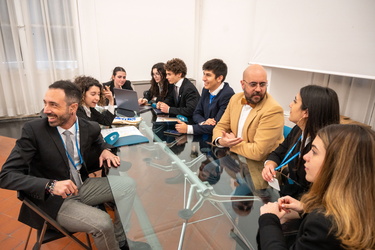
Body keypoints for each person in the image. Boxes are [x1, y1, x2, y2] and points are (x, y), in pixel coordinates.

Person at [0, 80, 137, 250]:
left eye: (53, 104)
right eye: (45, 103)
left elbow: (98, 140)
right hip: (54, 199)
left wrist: (105, 149)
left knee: (128, 185)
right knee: (103, 223)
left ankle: (120, 240)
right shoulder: (34, 130)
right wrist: (50, 185)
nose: (46, 110)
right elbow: (5, 176)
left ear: (72, 108)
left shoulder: (89, 127)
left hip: (82, 186)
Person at [258, 124, 375, 249]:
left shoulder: (323, 226)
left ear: (338, 164)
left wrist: (269, 220)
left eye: (314, 152)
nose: (305, 156)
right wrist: (306, 209)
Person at [262, 85, 340, 198]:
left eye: (295, 101)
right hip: (289, 194)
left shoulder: (324, 146)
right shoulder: (298, 129)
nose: (290, 105)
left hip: (305, 204)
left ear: (306, 113)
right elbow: (278, 152)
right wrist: (270, 165)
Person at [212, 64, 284, 161]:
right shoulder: (235, 99)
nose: (258, 89)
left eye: (262, 84)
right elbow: (220, 127)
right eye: (253, 84)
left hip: (260, 169)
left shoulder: (273, 110)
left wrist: (230, 144)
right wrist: (220, 140)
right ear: (242, 84)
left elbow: (258, 153)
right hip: (236, 163)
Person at [175, 58, 235, 135]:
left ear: (219, 78)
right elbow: (196, 113)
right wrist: (204, 122)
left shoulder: (228, 94)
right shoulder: (206, 89)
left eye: (208, 75)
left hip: (214, 140)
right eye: (204, 74)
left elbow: (218, 126)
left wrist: (188, 129)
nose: (203, 78)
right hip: (203, 136)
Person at [157, 58, 200, 123]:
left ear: (179, 74)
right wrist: (163, 104)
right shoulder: (175, 85)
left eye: (169, 74)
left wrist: (169, 109)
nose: (166, 77)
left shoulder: (188, 88)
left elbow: (190, 110)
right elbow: (170, 98)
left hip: (189, 122)